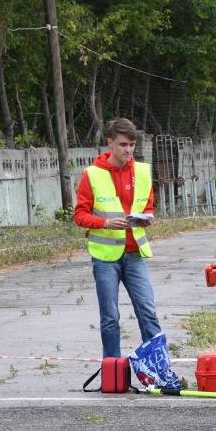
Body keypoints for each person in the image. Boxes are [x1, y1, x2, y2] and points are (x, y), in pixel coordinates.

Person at [74, 118, 161, 359]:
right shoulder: (92, 174)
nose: (128, 150)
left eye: (132, 145)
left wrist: (146, 218)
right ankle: (113, 369)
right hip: (105, 257)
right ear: (110, 143)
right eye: (123, 144)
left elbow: (148, 206)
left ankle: (157, 368)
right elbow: (79, 215)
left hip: (134, 254)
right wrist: (106, 223)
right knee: (110, 318)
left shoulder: (142, 171)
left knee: (148, 312)